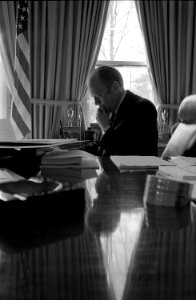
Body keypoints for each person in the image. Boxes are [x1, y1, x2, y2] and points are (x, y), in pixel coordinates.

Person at [85, 65, 158, 156]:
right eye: (94, 97)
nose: (96, 103)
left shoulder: (143, 108)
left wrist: (106, 128)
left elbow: (126, 152)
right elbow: (103, 150)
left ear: (115, 87)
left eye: (99, 96)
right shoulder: (113, 111)